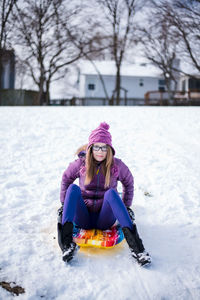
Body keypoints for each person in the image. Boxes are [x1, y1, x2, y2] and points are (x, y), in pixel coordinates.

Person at [58, 122, 151, 266]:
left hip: (104, 219)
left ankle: (138, 249)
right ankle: (67, 244)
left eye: (104, 147)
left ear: (109, 149)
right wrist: (64, 204)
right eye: (97, 147)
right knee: (72, 188)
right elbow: (66, 179)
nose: (100, 151)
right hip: (84, 217)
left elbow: (129, 183)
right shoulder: (81, 164)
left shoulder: (117, 165)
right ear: (90, 148)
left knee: (111, 193)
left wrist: (126, 206)